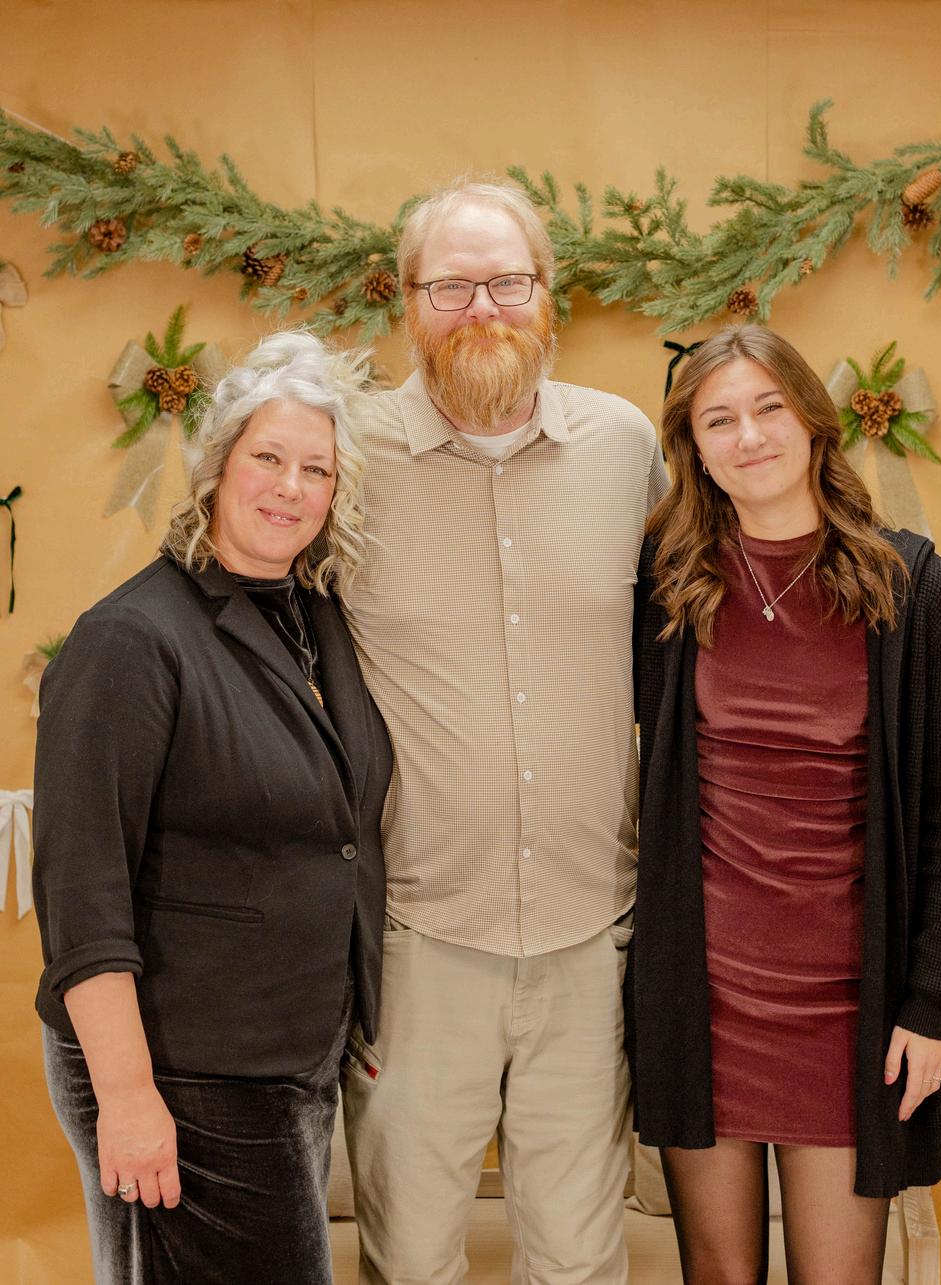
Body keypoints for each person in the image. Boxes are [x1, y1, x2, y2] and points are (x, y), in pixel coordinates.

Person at [340, 178, 667, 1284]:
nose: (481, 307)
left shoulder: (624, 445)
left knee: (579, 1261)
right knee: (411, 1261)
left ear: (547, 292)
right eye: (450, 285)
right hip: (418, 939)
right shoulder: (342, 458)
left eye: (507, 281)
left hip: (590, 929)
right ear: (407, 300)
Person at [32, 332, 393, 1285]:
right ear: (218, 465)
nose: (290, 487)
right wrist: (127, 1097)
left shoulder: (311, 614)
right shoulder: (130, 638)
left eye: (315, 469)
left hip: (281, 1056)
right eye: (267, 457)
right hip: (179, 1068)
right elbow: (82, 897)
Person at [630, 324, 941, 1283]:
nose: (748, 436)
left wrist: (929, 1005)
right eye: (718, 420)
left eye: (768, 407)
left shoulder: (914, 587)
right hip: (702, 995)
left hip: (848, 1009)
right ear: (694, 449)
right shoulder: (668, 583)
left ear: (813, 420)